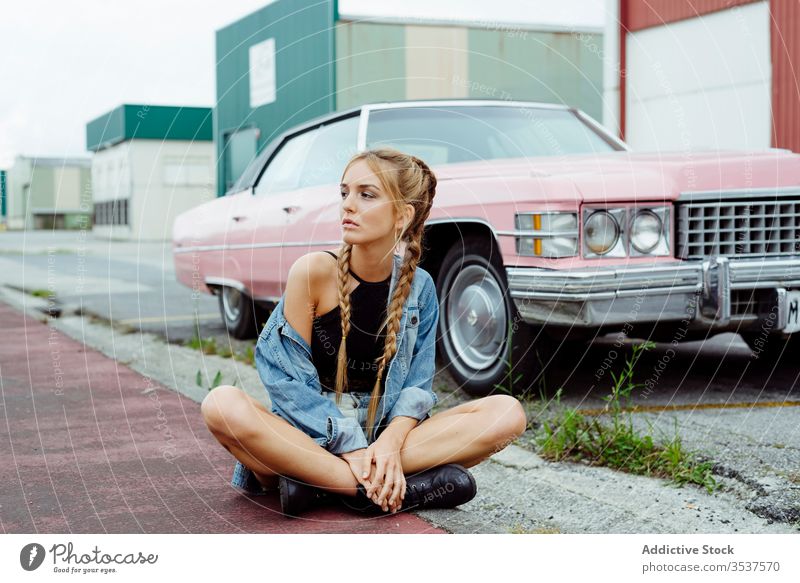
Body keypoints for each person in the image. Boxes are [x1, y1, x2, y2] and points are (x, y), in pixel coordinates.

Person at [201, 148, 527, 517]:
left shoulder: (420, 288)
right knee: (222, 406)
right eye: (345, 193)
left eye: (366, 194)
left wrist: (389, 442)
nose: (348, 206)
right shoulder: (312, 272)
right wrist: (348, 444)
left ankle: (321, 486)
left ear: (402, 215)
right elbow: (285, 381)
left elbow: (417, 388)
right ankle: (373, 488)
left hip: (382, 438)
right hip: (307, 434)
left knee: (507, 414)